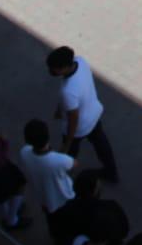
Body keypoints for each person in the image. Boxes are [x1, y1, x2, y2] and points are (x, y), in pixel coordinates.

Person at [47, 46, 119, 182]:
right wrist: (59, 108)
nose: (51, 71)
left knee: (70, 152)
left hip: (79, 128)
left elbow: (73, 120)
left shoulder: (68, 91)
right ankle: (111, 171)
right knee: (101, 143)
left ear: (64, 67)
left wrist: (67, 143)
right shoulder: (80, 62)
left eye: (54, 69)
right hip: (94, 114)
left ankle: (63, 176)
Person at [18, 119, 84, 245]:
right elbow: (74, 164)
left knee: (53, 222)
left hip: (44, 199)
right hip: (64, 198)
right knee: (69, 223)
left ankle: (58, 241)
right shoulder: (58, 160)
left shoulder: (24, 152)